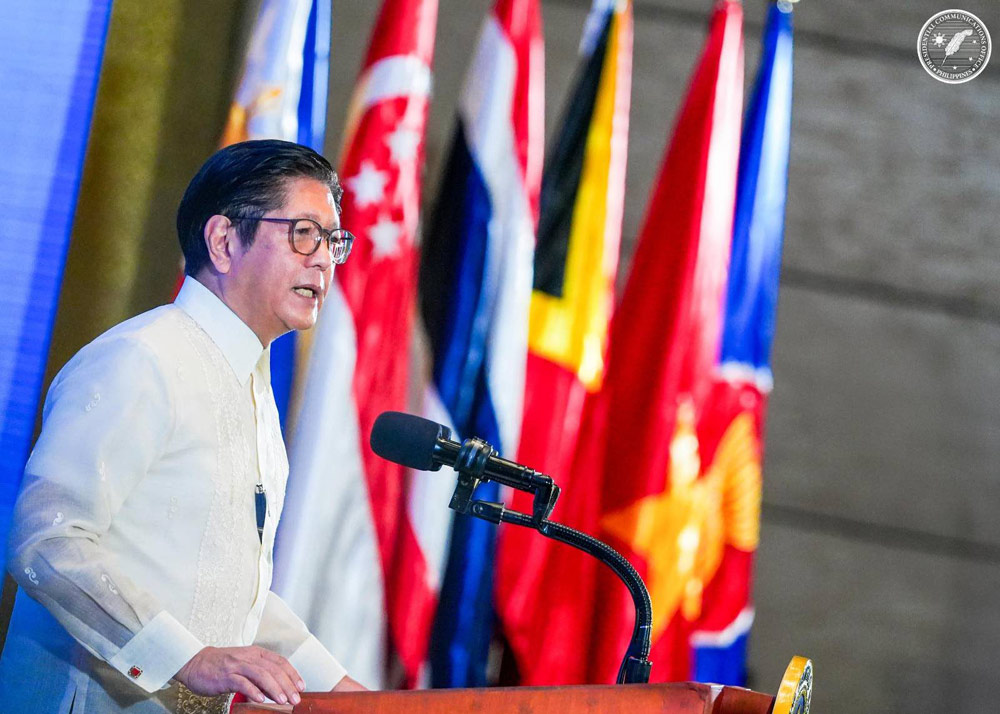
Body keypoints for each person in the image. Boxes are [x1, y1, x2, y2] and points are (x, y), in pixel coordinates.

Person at [3, 140, 366, 712]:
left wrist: (343, 691)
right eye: (304, 233)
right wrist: (188, 659)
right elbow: (48, 540)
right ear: (223, 241)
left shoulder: (252, 388)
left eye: (333, 241)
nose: (323, 259)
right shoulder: (140, 358)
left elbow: (225, 590)